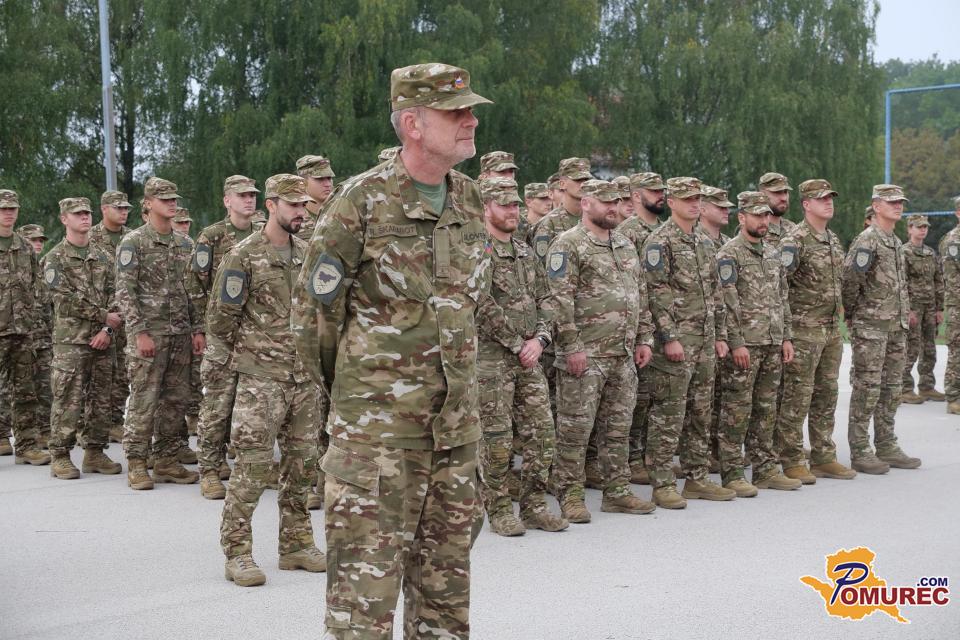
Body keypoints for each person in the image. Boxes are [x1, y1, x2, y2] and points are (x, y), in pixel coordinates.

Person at [292, 62, 491, 639]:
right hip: (378, 445)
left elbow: (465, 309)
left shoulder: (470, 200)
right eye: (456, 112)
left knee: (445, 612)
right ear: (413, 123)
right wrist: (361, 402)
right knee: (363, 614)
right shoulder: (360, 202)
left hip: (454, 437)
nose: (471, 121)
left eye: (470, 110)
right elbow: (313, 319)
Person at [213, 174, 326, 586]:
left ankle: (295, 544)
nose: (301, 212)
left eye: (304, 205)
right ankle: (238, 552)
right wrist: (251, 357)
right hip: (262, 381)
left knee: (302, 465)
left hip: (303, 380)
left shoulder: (308, 253)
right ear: (272, 205)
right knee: (253, 467)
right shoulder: (243, 255)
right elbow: (220, 320)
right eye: (293, 205)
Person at [547, 179, 656, 522]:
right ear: (586, 204)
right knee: (575, 430)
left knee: (617, 429)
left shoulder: (624, 244)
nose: (612, 208)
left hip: (622, 355)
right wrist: (571, 346)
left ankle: (617, 491)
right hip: (586, 354)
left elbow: (639, 293)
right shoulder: (569, 244)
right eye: (605, 202)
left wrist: (644, 338)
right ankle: (570, 495)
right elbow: (559, 300)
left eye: (616, 202)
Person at [475, 177, 567, 535]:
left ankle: (534, 506)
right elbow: (481, 304)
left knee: (543, 434)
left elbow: (547, 298)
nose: (513, 211)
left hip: (529, 356)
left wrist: (540, 340)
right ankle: (499, 509)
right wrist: (517, 344)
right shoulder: (477, 251)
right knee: (496, 440)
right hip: (491, 359)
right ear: (486, 208)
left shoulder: (525, 251)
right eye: (505, 205)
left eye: (515, 205)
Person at [642, 177, 734, 509]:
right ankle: (663, 483)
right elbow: (655, 293)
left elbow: (715, 292)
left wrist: (720, 334)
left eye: (697, 199)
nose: (694, 204)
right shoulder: (659, 242)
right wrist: (669, 337)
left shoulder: (705, 242)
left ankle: (696, 478)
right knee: (669, 413)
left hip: (704, 341)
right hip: (677, 342)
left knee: (700, 411)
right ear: (671, 202)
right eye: (687, 199)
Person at [115, 177, 204, 489]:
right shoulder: (134, 242)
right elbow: (125, 292)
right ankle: (137, 463)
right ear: (149, 204)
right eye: (164, 199)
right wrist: (139, 332)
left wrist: (198, 329)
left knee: (176, 401)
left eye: (173, 199)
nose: (171, 204)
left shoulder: (185, 244)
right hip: (149, 335)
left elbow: (194, 291)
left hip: (180, 335)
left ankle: (166, 460)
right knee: (144, 399)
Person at [716, 191, 799, 495]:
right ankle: (732, 473)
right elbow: (725, 302)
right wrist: (736, 342)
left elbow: (782, 298)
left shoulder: (773, 254)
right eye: (757, 215)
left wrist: (786, 337)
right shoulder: (729, 254)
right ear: (742, 218)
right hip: (746, 346)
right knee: (736, 410)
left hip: (772, 342)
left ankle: (765, 469)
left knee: (766, 409)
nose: (764, 221)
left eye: (766, 215)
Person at [776, 179, 857, 482]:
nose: (828, 203)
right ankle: (791, 457)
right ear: (806, 204)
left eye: (830, 198)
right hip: (803, 331)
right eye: (821, 198)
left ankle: (823, 456)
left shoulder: (832, 238)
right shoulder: (794, 241)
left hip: (830, 331)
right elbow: (779, 288)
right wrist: (785, 333)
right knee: (797, 397)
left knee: (826, 394)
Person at [190, 175, 261, 499]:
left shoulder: (263, 233)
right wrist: (202, 327)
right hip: (222, 334)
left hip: (256, 335)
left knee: (253, 406)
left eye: (252, 195)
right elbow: (195, 284)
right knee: (217, 405)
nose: (249, 200)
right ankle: (209, 469)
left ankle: (250, 466)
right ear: (227, 201)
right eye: (242, 195)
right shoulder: (213, 236)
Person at [842, 184, 920, 474]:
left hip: (895, 328)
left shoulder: (895, 242)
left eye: (900, 202)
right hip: (872, 328)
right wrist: (854, 315)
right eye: (892, 202)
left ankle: (886, 444)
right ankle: (861, 450)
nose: (898, 206)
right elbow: (850, 282)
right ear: (876, 206)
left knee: (891, 388)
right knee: (867, 389)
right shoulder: (868, 241)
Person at [43, 197, 122, 479]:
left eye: (87, 213)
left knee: (101, 399)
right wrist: (102, 316)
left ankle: (95, 452)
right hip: (71, 343)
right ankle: (60, 455)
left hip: (104, 339)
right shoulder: (54, 259)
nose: (85, 217)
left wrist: (107, 330)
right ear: (64, 219)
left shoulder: (104, 257)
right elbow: (62, 299)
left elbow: (118, 295)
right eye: (77, 214)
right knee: (68, 400)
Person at [617, 172, 665, 484]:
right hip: (638, 328)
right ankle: (631, 459)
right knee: (636, 399)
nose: (660, 195)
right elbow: (630, 285)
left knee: (654, 397)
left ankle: (647, 455)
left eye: (662, 191)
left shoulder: (663, 230)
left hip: (661, 327)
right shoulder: (628, 232)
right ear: (636, 195)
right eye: (653, 191)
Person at [0, 189, 49, 465]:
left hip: (22, 331)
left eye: (12, 208)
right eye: (3, 209)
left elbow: (37, 286)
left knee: (25, 390)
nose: (8, 213)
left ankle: (27, 445)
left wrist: (33, 319)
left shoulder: (25, 247)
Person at [89, 190, 133, 443]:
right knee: (96, 375)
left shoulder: (132, 237)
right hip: (99, 316)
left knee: (122, 373)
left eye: (126, 208)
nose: (124, 212)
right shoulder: (91, 238)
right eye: (118, 208)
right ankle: (90, 425)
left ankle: (116, 421)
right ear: (104, 209)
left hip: (126, 315)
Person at [899, 214, 945, 403]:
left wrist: (940, 308)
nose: (923, 230)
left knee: (929, 348)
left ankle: (927, 386)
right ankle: (904, 387)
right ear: (909, 229)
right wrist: (907, 309)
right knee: (911, 347)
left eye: (925, 227)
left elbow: (938, 280)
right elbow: (901, 283)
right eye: (919, 227)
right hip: (913, 307)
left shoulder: (930, 253)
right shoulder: (903, 252)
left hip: (930, 307)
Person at [17, 224, 53, 448]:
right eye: (33, 240)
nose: (38, 243)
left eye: (40, 240)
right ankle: (8, 434)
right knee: (21, 390)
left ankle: (45, 431)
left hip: (44, 339)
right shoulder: (16, 268)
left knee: (45, 387)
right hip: (20, 338)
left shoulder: (46, 267)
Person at [940, 195, 960, 415]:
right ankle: (954, 397)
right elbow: (953, 281)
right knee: (958, 351)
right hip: (958, 307)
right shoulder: (953, 241)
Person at [295, 155, 336, 241]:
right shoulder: (293, 220)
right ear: (302, 182)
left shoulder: (341, 214)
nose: (328, 184)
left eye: (329, 178)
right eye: (320, 179)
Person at [757, 171, 796, 244]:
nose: (784, 198)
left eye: (785, 192)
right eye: (777, 192)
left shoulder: (793, 229)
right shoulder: (754, 230)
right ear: (762, 194)